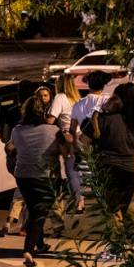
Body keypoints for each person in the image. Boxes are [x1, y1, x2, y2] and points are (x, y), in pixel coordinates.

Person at [6, 96, 64, 267]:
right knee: (39, 214)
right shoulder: (53, 131)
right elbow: (64, 150)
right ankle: (28, 251)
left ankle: (40, 244)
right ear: (43, 112)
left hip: (23, 176)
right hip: (45, 176)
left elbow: (9, 147)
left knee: (33, 208)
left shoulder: (17, 130)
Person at [87, 82, 134, 217]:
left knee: (112, 215)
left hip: (108, 169)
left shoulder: (105, 119)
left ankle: (118, 236)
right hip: (129, 174)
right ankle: (121, 236)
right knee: (119, 215)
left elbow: (83, 140)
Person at [68, 70, 113, 213]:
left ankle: (80, 203)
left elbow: (72, 128)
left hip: (82, 141)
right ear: (104, 84)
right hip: (101, 142)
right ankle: (104, 203)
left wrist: (75, 146)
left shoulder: (78, 104)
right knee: (100, 173)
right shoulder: (106, 100)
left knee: (83, 173)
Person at [47, 74, 81, 208]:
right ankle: (79, 200)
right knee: (77, 170)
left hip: (68, 137)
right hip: (79, 135)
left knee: (70, 170)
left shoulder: (60, 97)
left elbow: (51, 120)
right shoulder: (76, 98)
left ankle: (78, 202)